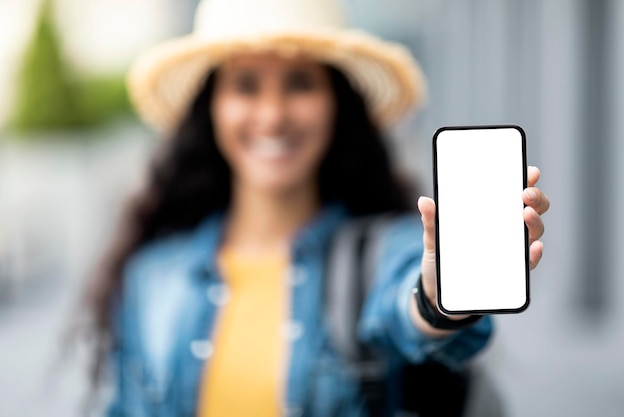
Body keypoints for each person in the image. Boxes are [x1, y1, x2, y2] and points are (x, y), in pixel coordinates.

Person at [85, 0, 551, 415]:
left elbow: (408, 306)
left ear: (336, 103)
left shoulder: (384, 251)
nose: (272, 115)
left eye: (300, 83)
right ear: (213, 107)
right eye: (245, 85)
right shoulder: (151, 276)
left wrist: (441, 298)